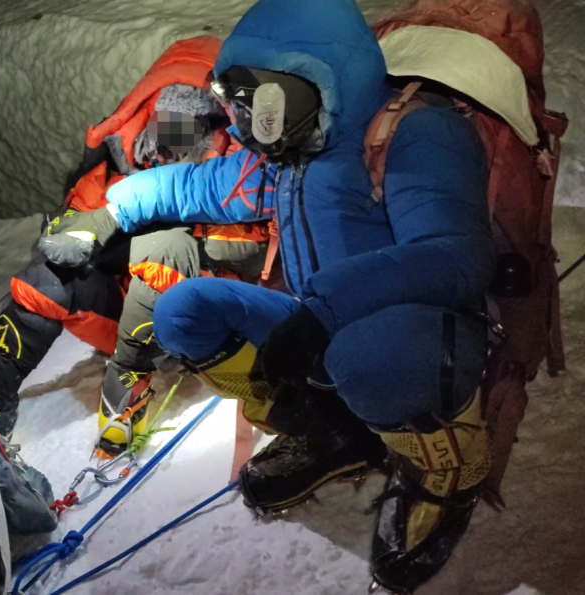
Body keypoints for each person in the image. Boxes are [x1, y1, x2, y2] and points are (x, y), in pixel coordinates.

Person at [40, 0, 495, 591]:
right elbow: (198, 184)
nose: (249, 122)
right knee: (185, 311)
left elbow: (454, 257)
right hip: (323, 322)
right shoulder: (296, 157)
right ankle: (329, 427)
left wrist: (326, 309)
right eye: (240, 104)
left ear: (316, 78)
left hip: (411, 332)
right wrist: (108, 213)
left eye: (259, 101)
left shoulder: (418, 132)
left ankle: (448, 468)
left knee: (366, 355)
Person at [0, 36, 272, 455]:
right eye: (166, 115)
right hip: (125, 316)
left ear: (215, 120)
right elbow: (72, 220)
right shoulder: (121, 165)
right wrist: (83, 236)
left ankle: (125, 409)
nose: (173, 133)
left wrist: (177, 233)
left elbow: (255, 248)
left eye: (191, 118)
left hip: (205, 322)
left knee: (163, 248)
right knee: (47, 278)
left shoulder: (240, 174)